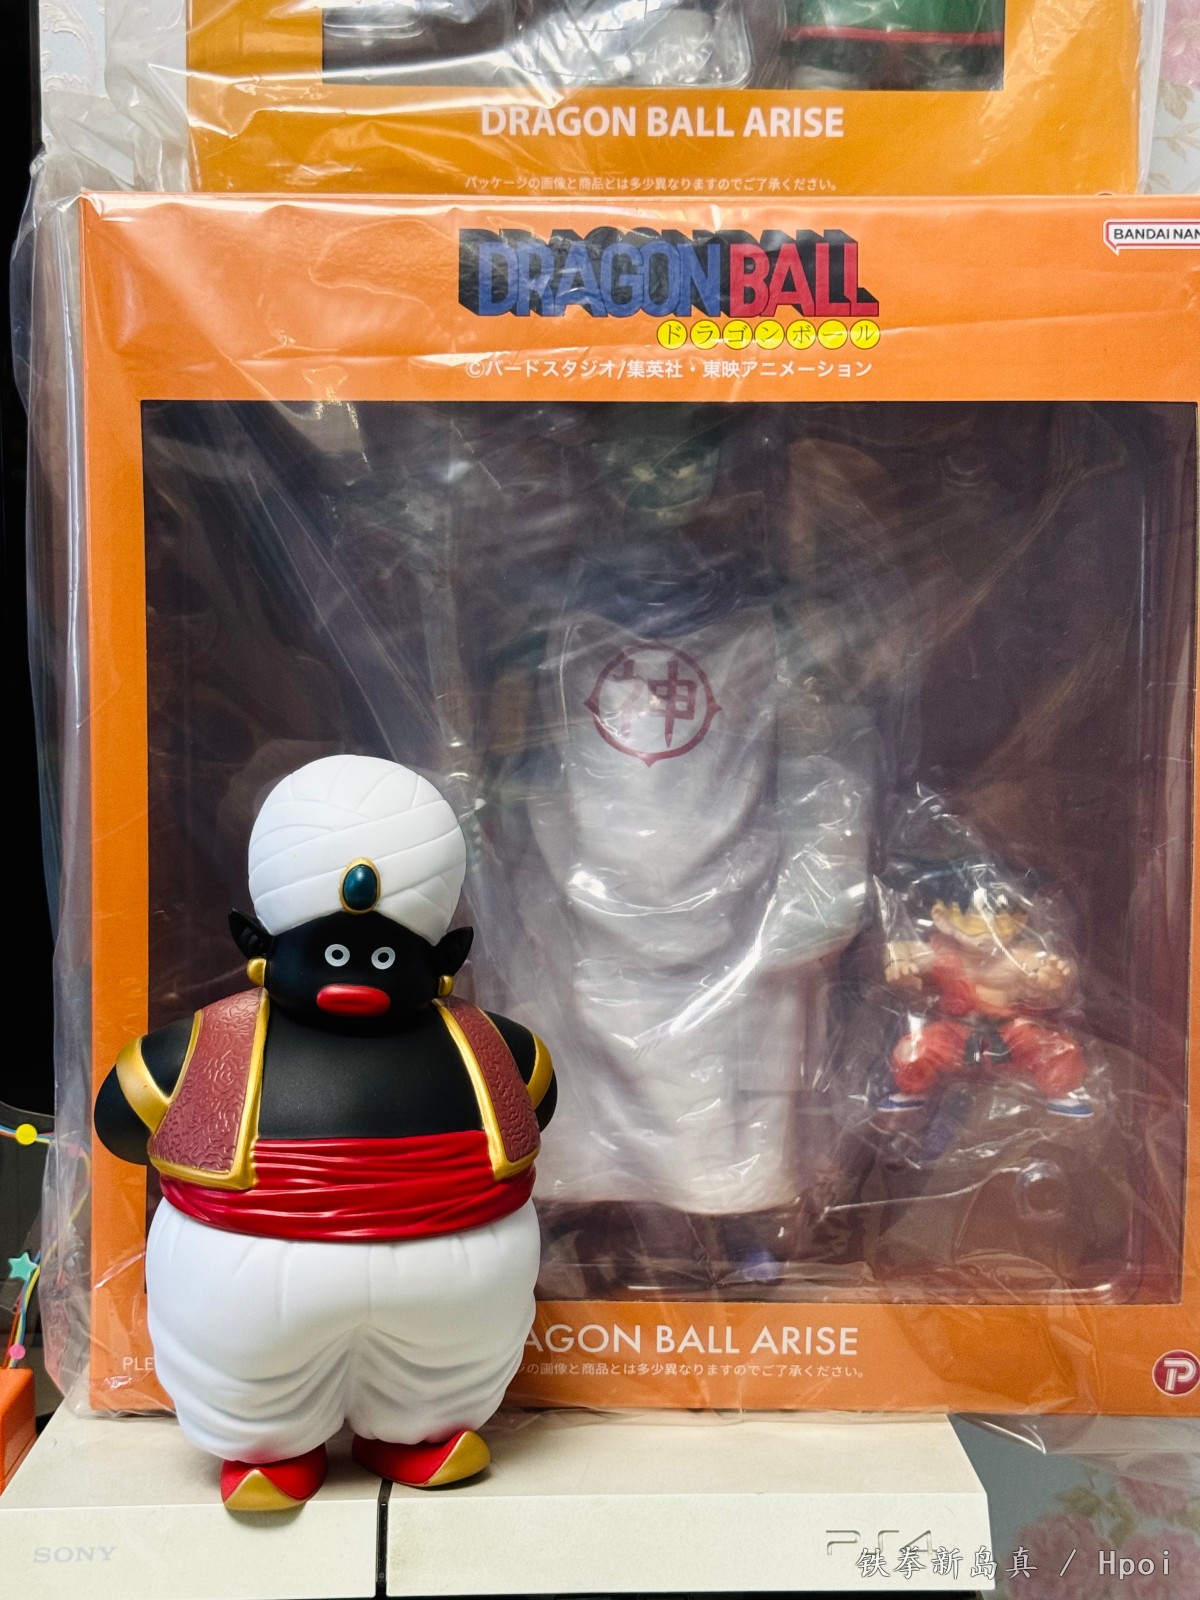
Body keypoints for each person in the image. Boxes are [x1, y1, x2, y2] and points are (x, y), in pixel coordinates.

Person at [95, 755, 554, 1510]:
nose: (356, 974)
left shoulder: (496, 1049)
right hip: (249, 1272)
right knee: (250, 1382)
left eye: (385, 956)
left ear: (446, 960)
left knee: (441, 1375)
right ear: (255, 944)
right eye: (333, 953)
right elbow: (119, 1121)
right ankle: (268, 1448)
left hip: (455, 1276)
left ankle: (419, 1431)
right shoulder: (204, 1047)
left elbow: (536, 1107)